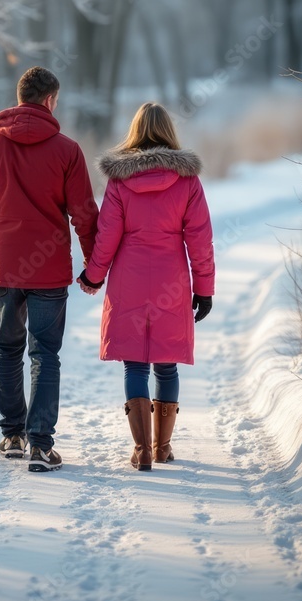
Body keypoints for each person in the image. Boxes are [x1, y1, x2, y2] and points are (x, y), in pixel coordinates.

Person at [0, 66, 98, 472]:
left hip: (2, 265)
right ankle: (40, 444)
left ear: (20, 97)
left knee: (7, 349)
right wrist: (95, 265)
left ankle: (12, 436)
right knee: (45, 354)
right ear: (50, 100)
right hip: (49, 269)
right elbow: (84, 215)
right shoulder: (68, 150)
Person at [77, 102, 215, 471]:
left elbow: (107, 235)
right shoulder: (187, 180)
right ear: (168, 131)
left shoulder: (120, 181)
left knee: (135, 365)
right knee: (167, 366)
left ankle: (141, 450)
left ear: (135, 131)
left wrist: (93, 274)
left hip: (129, 279)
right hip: (171, 278)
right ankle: (163, 446)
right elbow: (200, 240)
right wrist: (204, 288)